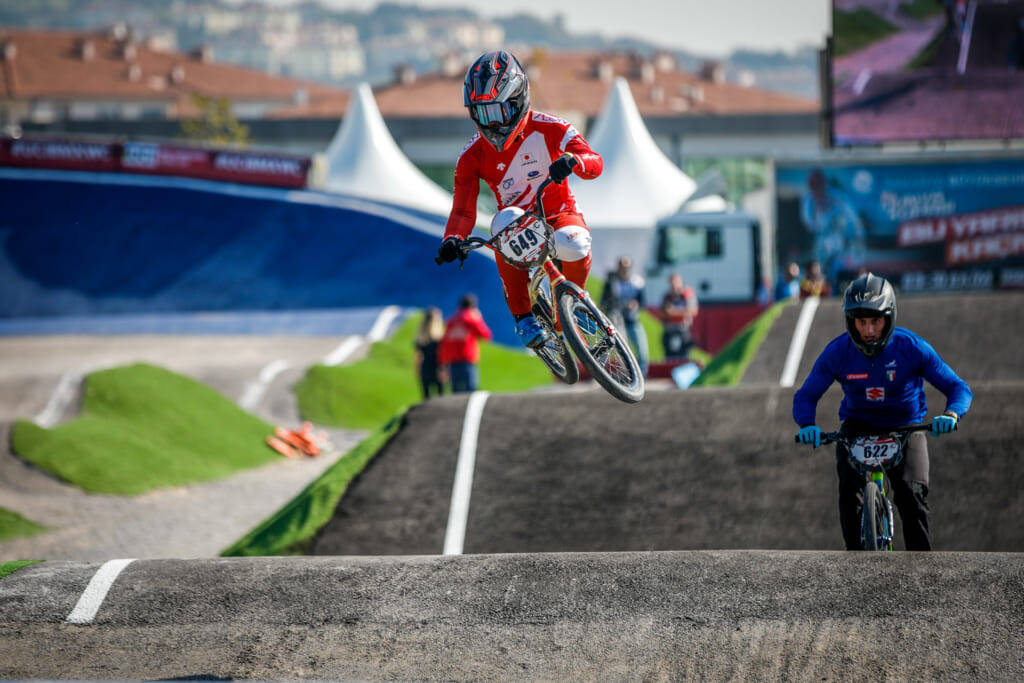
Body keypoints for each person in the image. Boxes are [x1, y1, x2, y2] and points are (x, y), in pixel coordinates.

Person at [435, 50, 603, 349]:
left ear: (518, 99)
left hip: (559, 212)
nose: (492, 124)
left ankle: (575, 304)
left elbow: (595, 161)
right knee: (503, 222)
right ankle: (523, 317)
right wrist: (453, 239)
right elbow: (462, 210)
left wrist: (574, 161)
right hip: (517, 222)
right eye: (483, 114)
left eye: (498, 112)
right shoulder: (470, 156)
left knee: (575, 243)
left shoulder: (553, 127)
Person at [793, 273, 973, 551]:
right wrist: (807, 424)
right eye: (861, 322)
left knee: (911, 494)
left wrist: (951, 414)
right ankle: (855, 560)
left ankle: (923, 570)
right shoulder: (838, 352)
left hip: (906, 426)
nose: (868, 330)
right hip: (858, 426)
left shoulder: (911, 347)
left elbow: (957, 387)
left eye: (876, 321)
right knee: (849, 490)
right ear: (850, 321)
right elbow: (806, 395)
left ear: (889, 318)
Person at [800, 167, 865, 291]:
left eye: (819, 185)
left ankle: (836, 288)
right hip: (822, 243)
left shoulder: (837, 197)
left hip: (839, 242)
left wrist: (854, 236)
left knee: (838, 268)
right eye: (814, 186)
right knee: (820, 268)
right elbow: (809, 223)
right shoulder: (808, 199)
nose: (817, 190)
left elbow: (853, 220)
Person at [601, 256, 649, 376]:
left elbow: (642, 302)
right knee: (621, 348)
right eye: (622, 267)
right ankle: (604, 371)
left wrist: (635, 305)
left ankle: (641, 375)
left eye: (626, 267)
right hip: (616, 321)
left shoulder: (637, 283)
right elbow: (604, 301)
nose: (624, 270)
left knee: (642, 349)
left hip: (632, 320)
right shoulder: (612, 283)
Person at [438, 293, 492, 393]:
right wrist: (478, 318)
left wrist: (443, 364)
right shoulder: (472, 320)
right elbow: (486, 335)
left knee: (455, 392)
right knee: (471, 391)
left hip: (453, 362)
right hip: (468, 360)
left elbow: (444, 344)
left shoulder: (451, 321)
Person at [660, 272, 698, 361]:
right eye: (671, 283)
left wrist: (673, 312)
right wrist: (677, 312)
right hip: (669, 331)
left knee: (683, 357)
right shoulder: (667, 297)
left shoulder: (687, 295)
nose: (673, 285)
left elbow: (692, 311)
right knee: (669, 358)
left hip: (683, 331)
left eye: (675, 282)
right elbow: (663, 313)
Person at [414, 307, 445, 399]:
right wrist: (444, 369)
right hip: (437, 368)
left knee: (426, 397)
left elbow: (418, 356)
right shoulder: (439, 336)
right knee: (441, 397)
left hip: (425, 368)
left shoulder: (420, 336)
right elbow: (442, 354)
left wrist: (418, 370)